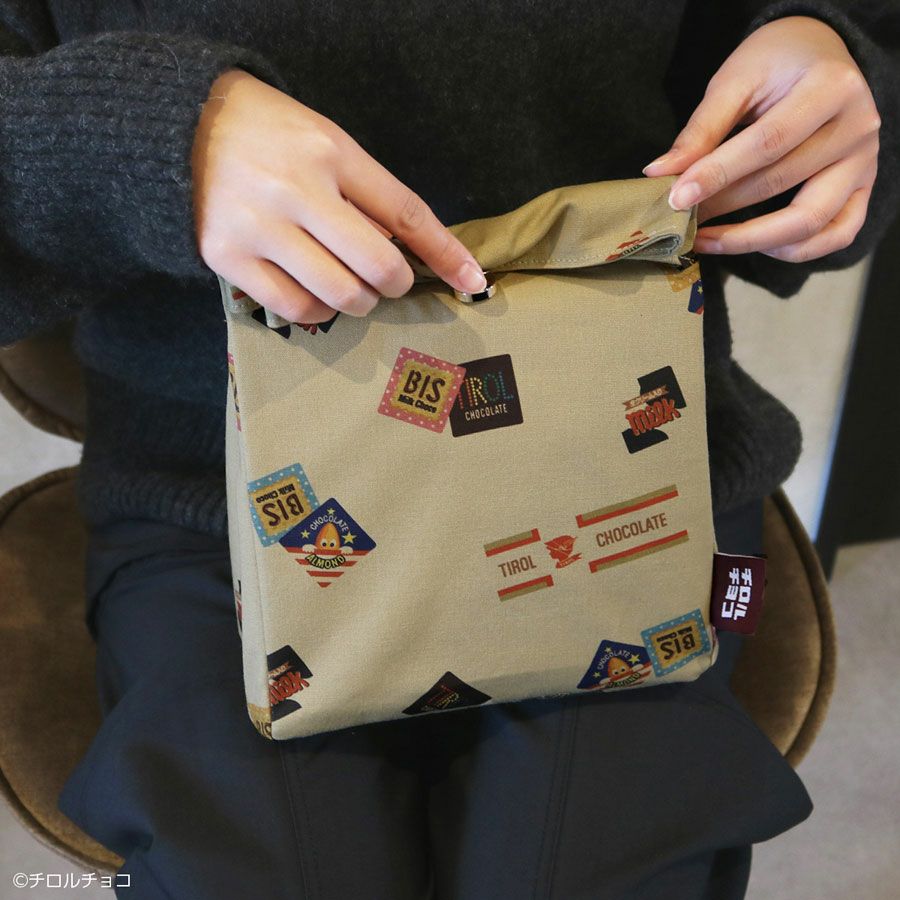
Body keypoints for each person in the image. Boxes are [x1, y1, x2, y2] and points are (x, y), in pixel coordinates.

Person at [1, 2, 897, 897]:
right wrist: (147, 143)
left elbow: (824, 128)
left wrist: (835, 66)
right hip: (217, 506)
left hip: (624, 481)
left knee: (606, 856)